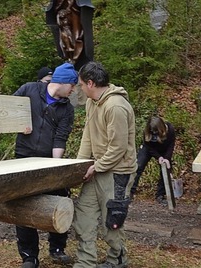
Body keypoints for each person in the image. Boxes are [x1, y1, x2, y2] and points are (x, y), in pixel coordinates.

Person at [13, 63, 77, 268]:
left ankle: (57, 249)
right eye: (72, 85)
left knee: (60, 200)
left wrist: (56, 168)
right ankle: (29, 256)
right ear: (64, 82)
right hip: (23, 156)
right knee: (21, 205)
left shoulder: (67, 108)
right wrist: (17, 122)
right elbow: (7, 109)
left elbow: (60, 138)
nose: (74, 90)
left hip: (48, 160)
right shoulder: (29, 89)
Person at [73, 61, 137, 268]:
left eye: (81, 84)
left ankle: (116, 261)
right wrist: (80, 165)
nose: (80, 88)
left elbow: (118, 148)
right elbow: (88, 136)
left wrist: (97, 167)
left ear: (90, 83)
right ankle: (85, 262)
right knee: (84, 214)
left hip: (117, 171)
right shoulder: (92, 102)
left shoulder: (116, 106)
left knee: (112, 221)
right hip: (97, 168)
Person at [130, 116, 176, 204]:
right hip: (149, 148)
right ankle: (130, 192)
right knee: (138, 166)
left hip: (164, 150)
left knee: (165, 169)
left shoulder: (170, 130)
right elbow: (148, 146)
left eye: (156, 132)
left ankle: (160, 195)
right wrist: (158, 157)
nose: (154, 133)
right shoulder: (147, 132)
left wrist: (166, 158)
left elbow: (171, 145)